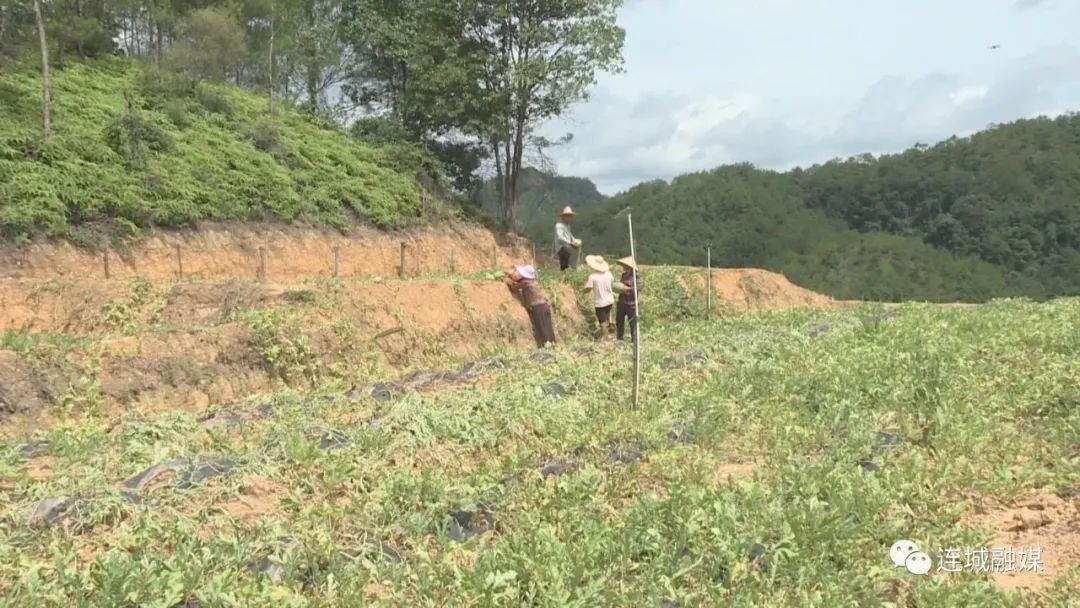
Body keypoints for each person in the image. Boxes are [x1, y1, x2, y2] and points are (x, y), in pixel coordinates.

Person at [505, 264, 557, 348]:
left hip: (538, 306)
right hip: (544, 305)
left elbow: (513, 288)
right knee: (547, 325)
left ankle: (547, 344)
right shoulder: (533, 281)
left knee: (541, 325)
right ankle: (552, 343)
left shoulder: (525, 282)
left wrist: (509, 281)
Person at [582, 255, 615, 338]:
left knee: (602, 322)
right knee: (607, 318)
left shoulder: (593, 276)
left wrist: (582, 292)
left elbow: (588, 288)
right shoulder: (609, 274)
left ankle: (606, 336)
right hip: (609, 300)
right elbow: (612, 285)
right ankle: (610, 330)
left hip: (600, 302)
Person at [615, 256, 643, 343]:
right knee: (619, 321)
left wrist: (629, 289)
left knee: (632, 323)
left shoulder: (636, 277)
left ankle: (634, 340)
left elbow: (640, 287)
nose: (624, 267)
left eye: (626, 266)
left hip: (632, 304)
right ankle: (620, 338)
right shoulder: (623, 275)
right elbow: (620, 286)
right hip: (622, 302)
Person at [553, 206, 580, 271]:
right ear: (564, 217)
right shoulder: (559, 225)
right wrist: (570, 242)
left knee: (574, 254)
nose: (570, 218)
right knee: (565, 263)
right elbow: (560, 237)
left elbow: (570, 235)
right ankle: (565, 273)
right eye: (568, 216)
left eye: (570, 216)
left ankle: (572, 269)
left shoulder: (567, 225)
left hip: (568, 246)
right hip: (562, 247)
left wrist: (574, 240)